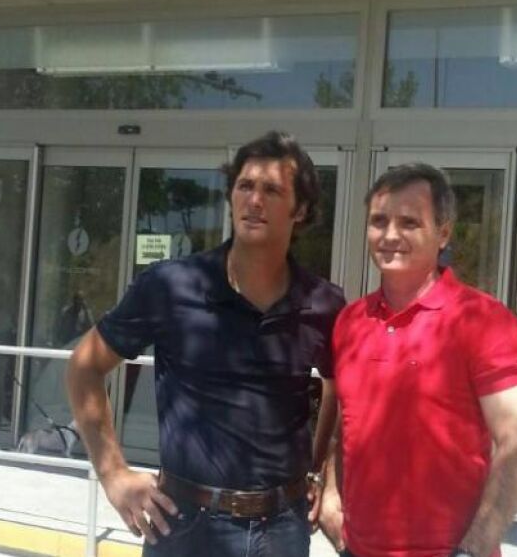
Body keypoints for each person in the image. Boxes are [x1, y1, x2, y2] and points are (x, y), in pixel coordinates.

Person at [66, 131, 344, 557]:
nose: (254, 200)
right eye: (245, 186)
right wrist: (113, 474)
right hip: (186, 526)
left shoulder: (322, 303)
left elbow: (340, 386)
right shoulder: (170, 286)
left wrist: (321, 471)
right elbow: (85, 367)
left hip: (282, 530)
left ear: (300, 209)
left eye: (272, 190)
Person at [320, 163, 517, 557]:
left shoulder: (484, 321)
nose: (390, 235)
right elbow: (347, 423)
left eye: (409, 222)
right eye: (379, 221)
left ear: (443, 233)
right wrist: (331, 498)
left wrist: (473, 549)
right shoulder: (350, 322)